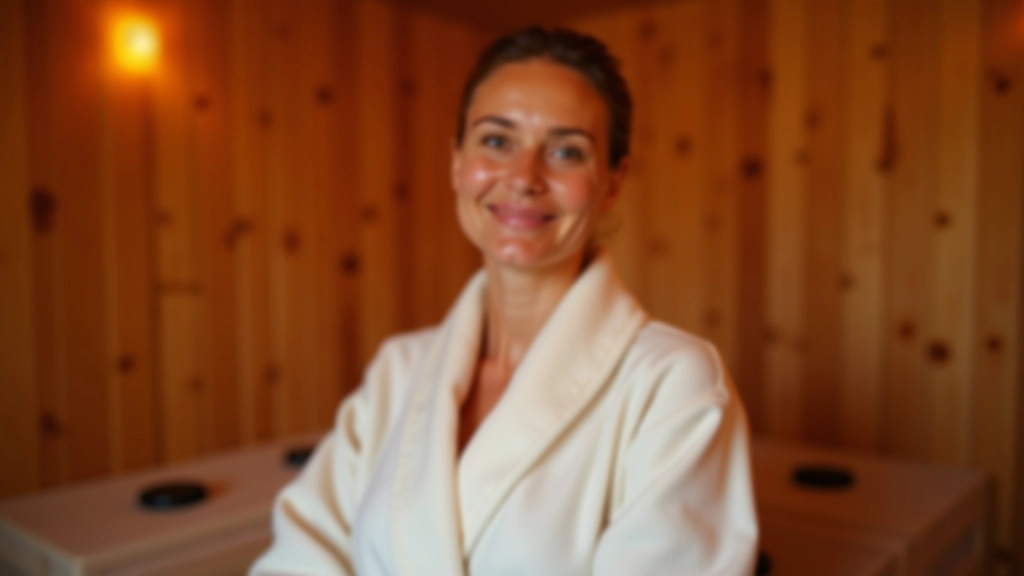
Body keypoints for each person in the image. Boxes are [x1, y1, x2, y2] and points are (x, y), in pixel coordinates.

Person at [250, 26, 757, 576]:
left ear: (612, 182)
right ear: (456, 161)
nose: (523, 177)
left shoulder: (673, 386)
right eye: (496, 141)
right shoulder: (400, 370)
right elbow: (301, 558)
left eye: (566, 151)